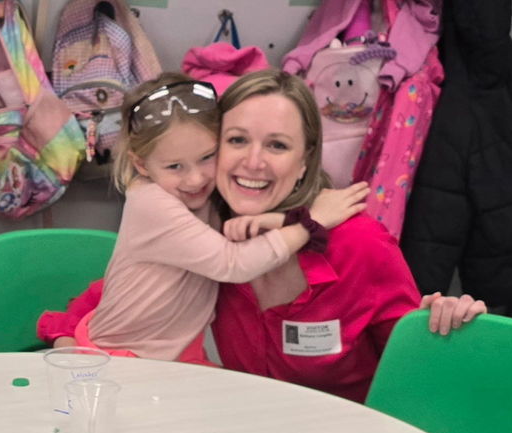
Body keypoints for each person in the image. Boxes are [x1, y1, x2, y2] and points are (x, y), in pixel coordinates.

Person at [42, 69, 484, 402]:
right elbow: (115, 296)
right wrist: (69, 340)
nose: (252, 162)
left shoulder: (357, 243)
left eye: (276, 145)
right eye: (236, 141)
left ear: (305, 159)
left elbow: (417, 368)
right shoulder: (209, 223)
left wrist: (444, 322)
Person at [38, 72, 368, 365]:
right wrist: (309, 224)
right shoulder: (151, 202)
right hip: (124, 362)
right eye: (174, 166)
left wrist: (276, 219)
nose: (196, 179)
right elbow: (232, 264)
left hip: (172, 359)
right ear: (142, 166)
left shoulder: (206, 197)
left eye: (207, 157)